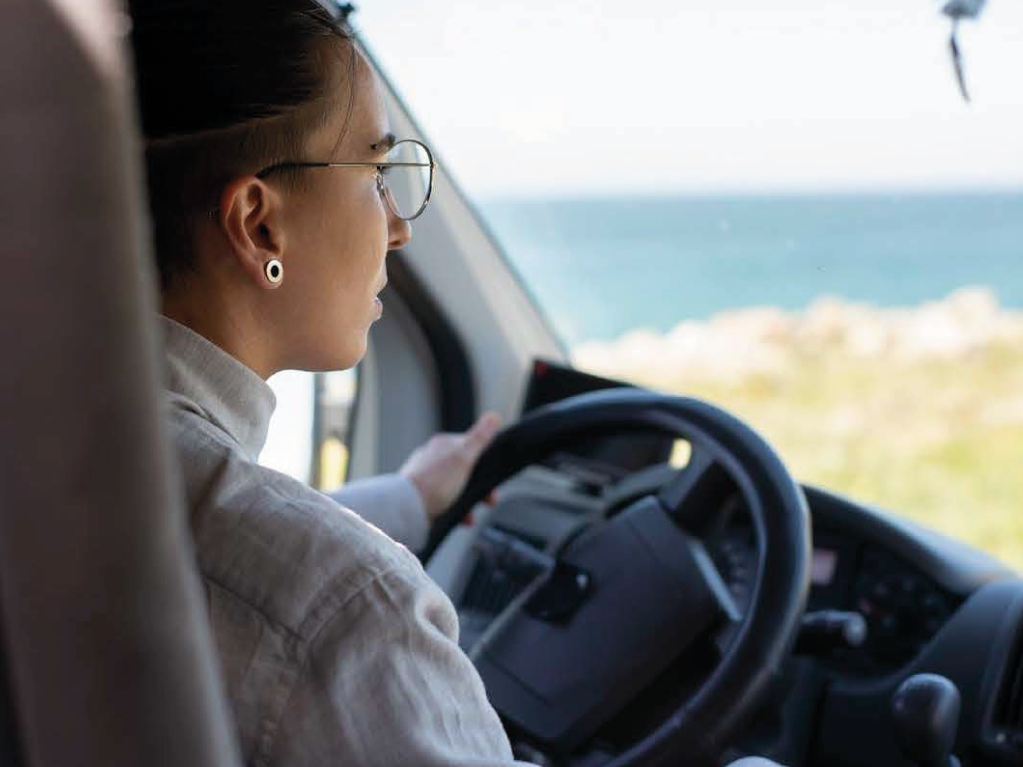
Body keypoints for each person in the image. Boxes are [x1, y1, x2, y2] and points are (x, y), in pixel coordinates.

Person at [128, 2, 784, 766]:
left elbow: (212, 544)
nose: (399, 226)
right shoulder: (351, 612)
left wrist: (408, 496)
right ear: (258, 224)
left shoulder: (59, 455)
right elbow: (272, 581)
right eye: (376, 173)